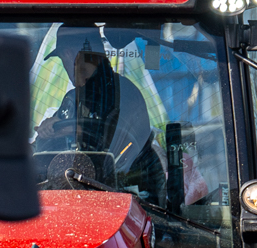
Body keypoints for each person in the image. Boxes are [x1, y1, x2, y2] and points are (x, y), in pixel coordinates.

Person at [34, 31, 163, 192]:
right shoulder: (74, 97)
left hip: (127, 188)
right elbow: (53, 137)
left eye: (63, 59)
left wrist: (72, 129)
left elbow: (116, 137)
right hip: (80, 185)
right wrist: (48, 130)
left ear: (68, 54)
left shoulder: (123, 93)